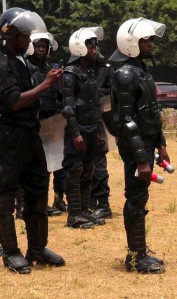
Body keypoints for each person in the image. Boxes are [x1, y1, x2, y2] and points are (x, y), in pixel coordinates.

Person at [0, 7, 65, 274]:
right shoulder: (2, 63)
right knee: (5, 195)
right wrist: (45, 85)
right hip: (9, 137)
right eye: (24, 36)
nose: (28, 41)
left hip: (30, 134)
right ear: (10, 34)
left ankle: (37, 249)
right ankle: (11, 252)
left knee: (38, 190)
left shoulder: (20, 62)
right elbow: (14, 102)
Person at [106, 18, 167, 274]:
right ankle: (135, 257)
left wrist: (161, 144)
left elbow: (152, 112)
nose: (151, 44)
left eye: (152, 39)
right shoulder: (126, 74)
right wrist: (142, 159)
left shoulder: (142, 70)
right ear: (131, 43)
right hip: (135, 146)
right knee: (135, 198)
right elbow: (127, 120)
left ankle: (140, 251)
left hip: (146, 142)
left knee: (140, 197)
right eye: (146, 40)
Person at [61, 27, 106, 229]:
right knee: (75, 170)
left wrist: (97, 131)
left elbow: (95, 104)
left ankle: (85, 211)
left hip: (91, 128)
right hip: (77, 129)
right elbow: (68, 108)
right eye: (89, 45)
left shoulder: (90, 71)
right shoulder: (70, 74)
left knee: (89, 170)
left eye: (95, 45)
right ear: (79, 46)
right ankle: (74, 215)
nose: (94, 49)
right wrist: (75, 133)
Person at [25, 31, 65, 217]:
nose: (42, 47)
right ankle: (24, 206)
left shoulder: (53, 68)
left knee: (57, 165)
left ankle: (58, 200)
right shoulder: (24, 67)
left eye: (45, 44)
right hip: (33, 122)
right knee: (33, 165)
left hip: (54, 121)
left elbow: (60, 95)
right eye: (38, 44)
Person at [88, 54, 113, 220]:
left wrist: (94, 92)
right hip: (81, 123)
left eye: (95, 45)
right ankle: (88, 203)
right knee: (82, 167)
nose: (93, 50)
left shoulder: (105, 69)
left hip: (98, 122)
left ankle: (103, 204)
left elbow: (112, 92)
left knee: (99, 166)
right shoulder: (75, 70)